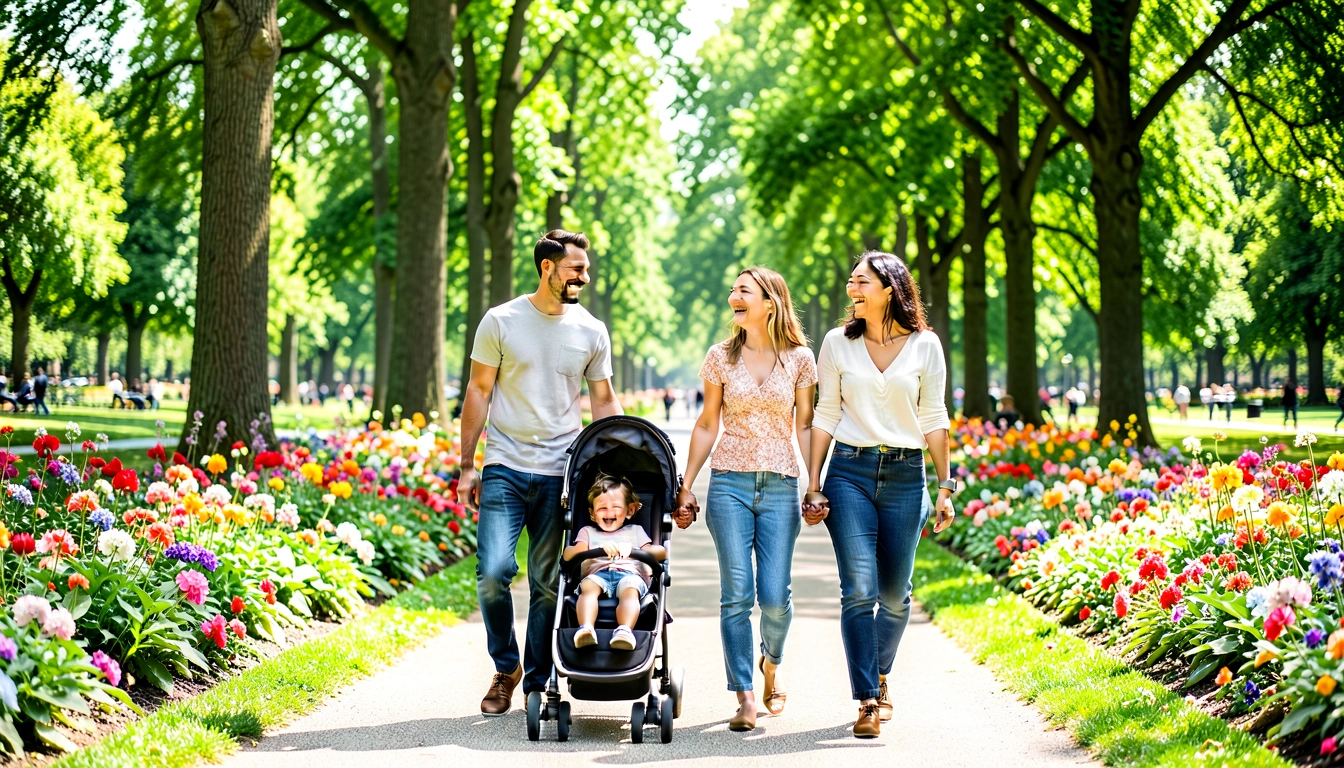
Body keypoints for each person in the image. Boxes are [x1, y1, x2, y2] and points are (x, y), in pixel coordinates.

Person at [457, 229, 622, 717]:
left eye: (586, 269)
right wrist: (467, 465)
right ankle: (505, 667)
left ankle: (534, 680)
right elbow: (478, 391)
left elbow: (603, 399)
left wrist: (618, 464)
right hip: (505, 465)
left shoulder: (591, 329)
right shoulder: (501, 321)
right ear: (547, 267)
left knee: (548, 581)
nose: (584, 277)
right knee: (493, 572)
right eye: (575, 269)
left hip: (560, 472)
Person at [804, 251, 956, 738]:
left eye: (862, 281)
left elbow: (934, 417)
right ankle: (868, 698)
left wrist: (946, 486)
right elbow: (826, 413)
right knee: (859, 589)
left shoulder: (926, 346)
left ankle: (880, 672)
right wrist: (813, 482)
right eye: (851, 281)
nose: (852, 288)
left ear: (889, 290)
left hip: (907, 475)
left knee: (894, 596)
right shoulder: (837, 344)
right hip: (849, 471)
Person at [673, 267, 816, 731]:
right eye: (732, 289)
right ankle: (745, 696)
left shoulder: (800, 358)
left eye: (743, 290)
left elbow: (805, 425)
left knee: (774, 598)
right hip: (729, 483)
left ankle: (771, 662)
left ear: (770, 302)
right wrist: (686, 484)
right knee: (736, 594)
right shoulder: (720, 356)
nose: (733, 295)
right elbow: (707, 423)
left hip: (780, 483)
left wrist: (814, 481)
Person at [564, 474, 666, 651]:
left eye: (616, 507)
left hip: (630, 575)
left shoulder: (636, 531)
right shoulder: (587, 532)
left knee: (630, 588)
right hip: (597, 574)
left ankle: (624, 631)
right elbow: (568, 554)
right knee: (588, 587)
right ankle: (586, 628)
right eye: (602, 508)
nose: (609, 513)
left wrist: (635, 550)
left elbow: (661, 552)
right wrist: (597, 549)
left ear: (630, 510)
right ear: (592, 514)